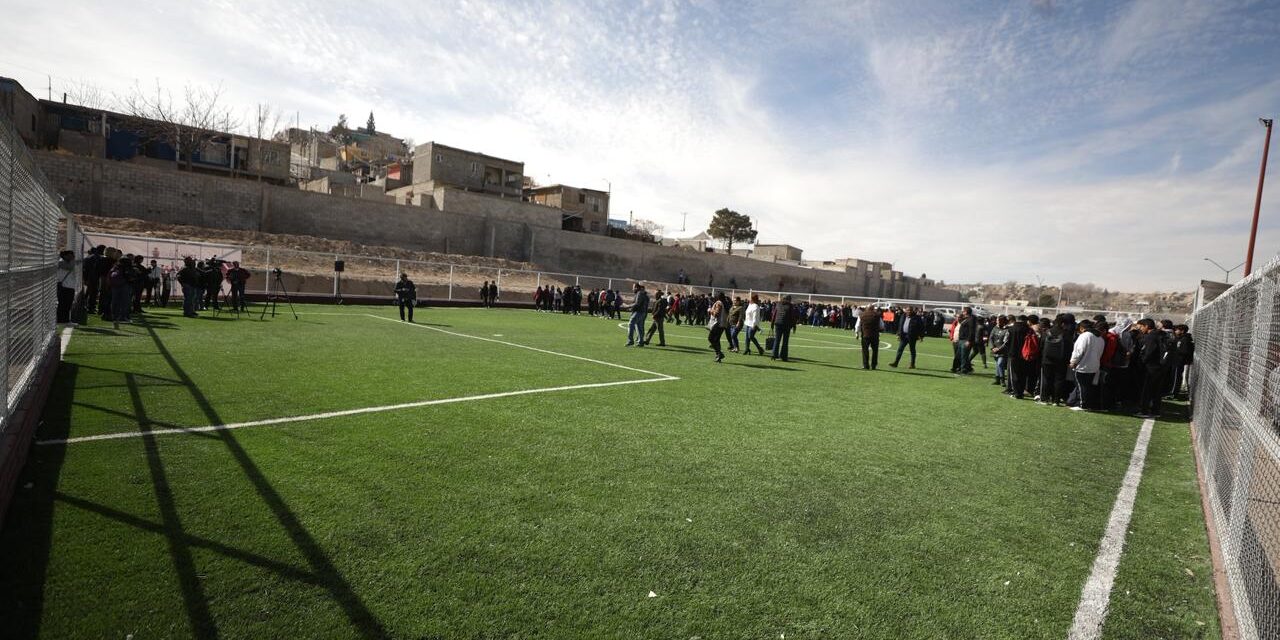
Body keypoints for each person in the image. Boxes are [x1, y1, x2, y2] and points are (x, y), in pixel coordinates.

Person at [1069, 320, 1105, 411]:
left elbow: (1079, 351)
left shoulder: (1084, 336)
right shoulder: (1100, 338)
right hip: (1094, 365)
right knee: (1088, 386)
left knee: (1081, 386)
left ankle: (1082, 405)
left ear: (1082, 328)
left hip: (1083, 365)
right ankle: (1087, 404)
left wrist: (1073, 361)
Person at [1136, 319, 1169, 418]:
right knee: (1156, 390)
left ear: (1146, 326)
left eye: (1141, 327)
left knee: (1147, 389)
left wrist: (1142, 361)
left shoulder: (1151, 336)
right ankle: (1155, 411)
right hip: (1160, 366)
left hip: (1152, 367)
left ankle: (1144, 411)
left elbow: (1149, 352)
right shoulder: (1160, 334)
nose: (1140, 329)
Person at [1038, 316, 1070, 406]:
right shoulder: (1066, 334)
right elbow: (1069, 348)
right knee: (1059, 380)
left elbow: (1041, 346)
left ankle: (1044, 398)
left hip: (1047, 360)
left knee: (1046, 379)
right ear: (1063, 324)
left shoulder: (1046, 332)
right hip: (1061, 361)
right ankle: (1056, 400)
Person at [1170, 325, 1195, 399]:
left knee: (1176, 377)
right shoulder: (1180, 338)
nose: (1175, 331)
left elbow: (1185, 351)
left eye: (1177, 330)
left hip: (1179, 361)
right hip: (1176, 360)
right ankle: (1173, 392)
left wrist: (1175, 351)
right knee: (1175, 376)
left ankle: (1173, 393)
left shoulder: (1185, 339)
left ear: (1182, 331)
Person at [81, 245, 106, 316]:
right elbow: (96, 269)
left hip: (89, 277)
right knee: (93, 293)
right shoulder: (97, 258)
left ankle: (87, 306)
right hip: (94, 277)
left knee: (89, 293)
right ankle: (91, 308)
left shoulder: (89, 257)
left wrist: (85, 278)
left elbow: (85, 269)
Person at [856, 306, 883, 370]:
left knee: (865, 350)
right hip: (875, 336)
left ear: (866, 309)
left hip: (865, 335)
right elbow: (882, 326)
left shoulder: (862, 315)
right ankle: (874, 365)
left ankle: (866, 365)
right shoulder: (877, 315)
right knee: (875, 351)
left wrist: (857, 333)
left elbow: (857, 326)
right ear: (873, 309)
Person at [771, 295, 794, 361]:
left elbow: (774, 314)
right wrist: (793, 326)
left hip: (777, 324)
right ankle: (783, 356)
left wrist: (772, 324)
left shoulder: (778, 304)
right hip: (786, 325)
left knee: (777, 340)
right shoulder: (790, 306)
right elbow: (792, 316)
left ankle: (774, 355)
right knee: (785, 341)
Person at [56, 250, 76, 323]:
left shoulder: (68, 262)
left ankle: (66, 319)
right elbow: (69, 267)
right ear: (65, 255)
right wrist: (73, 260)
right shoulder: (61, 262)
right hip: (64, 286)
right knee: (62, 304)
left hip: (70, 286)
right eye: (70, 255)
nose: (72, 257)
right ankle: (61, 319)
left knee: (68, 304)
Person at [708, 292, 729, 362]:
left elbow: (716, 314)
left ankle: (719, 353)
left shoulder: (719, 303)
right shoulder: (725, 303)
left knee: (710, 338)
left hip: (718, 323)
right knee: (717, 340)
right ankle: (718, 356)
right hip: (723, 324)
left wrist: (710, 310)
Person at [989, 315, 1010, 386]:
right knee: (997, 364)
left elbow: (1006, 341)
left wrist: (999, 348)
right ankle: (997, 379)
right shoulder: (995, 328)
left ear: (1003, 321)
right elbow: (991, 338)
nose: (997, 322)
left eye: (998, 320)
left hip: (1003, 350)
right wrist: (992, 347)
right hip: (994, 349)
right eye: (997, 320)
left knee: (1000, 363)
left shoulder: (1007, 329)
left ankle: (1002, 380)